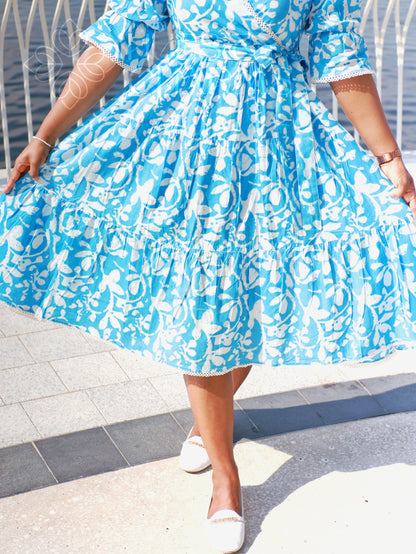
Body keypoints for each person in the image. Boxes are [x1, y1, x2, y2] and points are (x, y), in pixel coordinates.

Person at [1, 0, 416, 552]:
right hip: (181, 144)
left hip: (279, 152)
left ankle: (207, 424)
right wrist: (47, 135)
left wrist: (389, 160)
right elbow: (114, 45)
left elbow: (344, 65)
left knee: (256, 296)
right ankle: (227, 477)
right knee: (207, 308)